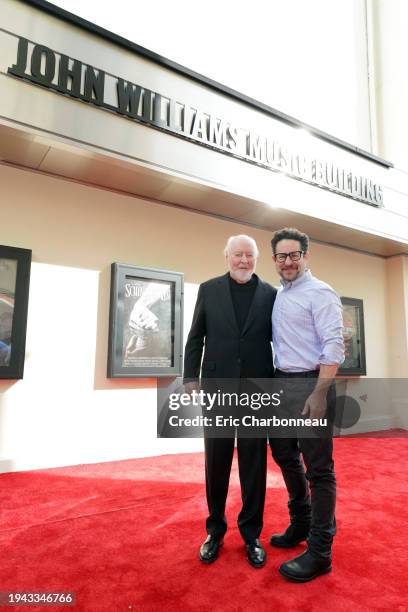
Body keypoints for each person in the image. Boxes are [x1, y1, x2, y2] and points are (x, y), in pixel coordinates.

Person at [183, 235, 276, 567]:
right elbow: (196, 336)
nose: (243, 261)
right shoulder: (208, 290)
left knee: (254, 464)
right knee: (217, 459)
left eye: (249, 255)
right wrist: (190, 377)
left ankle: (251, 535)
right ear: (226, 256)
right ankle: (215, 530)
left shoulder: (270, 294)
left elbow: (279, 339)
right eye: (237, 254)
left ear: (256, 259)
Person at [269, 227, 344, 582]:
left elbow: (334, 346)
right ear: (275, 260)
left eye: (294, 255)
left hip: (311, 384)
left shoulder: (321, 292)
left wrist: (318, 392)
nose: (288, 262)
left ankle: (320, 551)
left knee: (319, 469)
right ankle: (301, 522)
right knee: (283, 453)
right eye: (281, 256)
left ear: (305, 256)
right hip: (282, 383)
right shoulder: (280, 295)